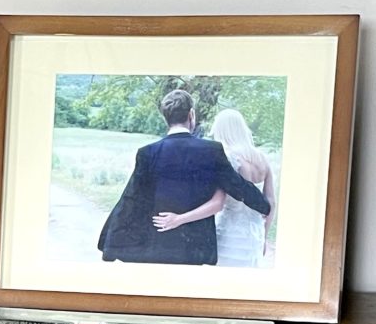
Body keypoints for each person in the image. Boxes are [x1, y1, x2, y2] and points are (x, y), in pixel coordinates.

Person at [97, 89, 272, 265]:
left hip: (159, 243)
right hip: (197, 247)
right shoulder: (212, 150)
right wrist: (264, 206)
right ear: (191, 115)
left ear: (166, 118)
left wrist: (110, 243)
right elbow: (236, 185)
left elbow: (131, 197)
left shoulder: (147, 153)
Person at [207, 108, 277, 268]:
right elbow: (271, 202)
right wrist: (264, 236)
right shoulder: (262, 158)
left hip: (229, 233)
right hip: (255, 233)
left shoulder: (230, 157)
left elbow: (219, 199)